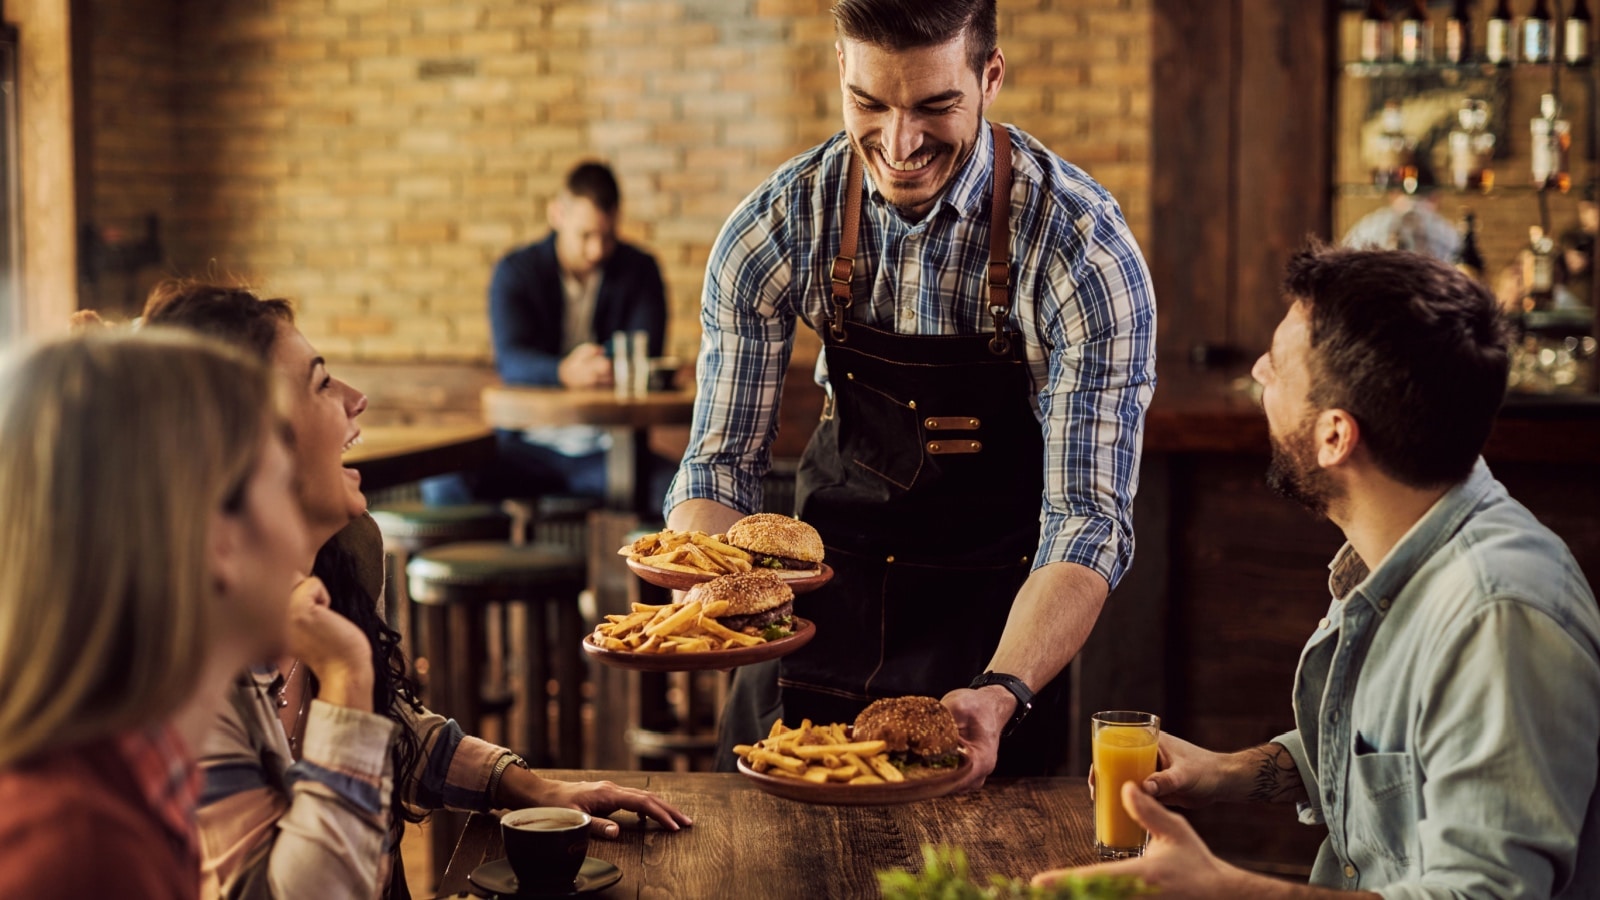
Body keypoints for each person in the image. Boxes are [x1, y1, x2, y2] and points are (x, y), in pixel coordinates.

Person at [665, 0, 1156, 786]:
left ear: (989, 77)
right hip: (810, 624)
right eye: (870, 103)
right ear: (841, 70)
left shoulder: (1080, 248)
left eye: (935, 106)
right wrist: (720, 601)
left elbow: (1087, 522)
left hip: (995, 640)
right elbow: (719, 468)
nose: (898, 144)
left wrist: (1002, 691)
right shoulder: (779, 224)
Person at [1035, 245, 1600, 896]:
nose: (1258, 373)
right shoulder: (1400, 550)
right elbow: (1388, 755)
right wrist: (1229, 771)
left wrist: (1228, 890)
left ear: (1335, 436)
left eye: (1276, 368)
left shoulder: (1498, 619)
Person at [140, 280, 692, 900]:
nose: (357, 399)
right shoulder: (182, 673)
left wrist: (532, 788)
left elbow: (393, 726)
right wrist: (348, 675)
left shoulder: (340, 561)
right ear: (246, 441)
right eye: (322, 383)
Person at [0, 329, 303, 898]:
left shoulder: (127, 789)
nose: (301, 531)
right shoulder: (78, 854)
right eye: (288, 487)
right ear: (219, 539)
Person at [422, 160, 677, 514]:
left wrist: (603, 369)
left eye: (607, 236)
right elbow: (511, 359)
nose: (597, 250)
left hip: (610, 451)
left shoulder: (640, 270)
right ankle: (503, 566)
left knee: (681, 493)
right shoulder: (516, 271)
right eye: (586, 235)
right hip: (527, 447)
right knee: (443, 483)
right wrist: (564, 372)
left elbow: (645, 352)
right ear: (557, 214)